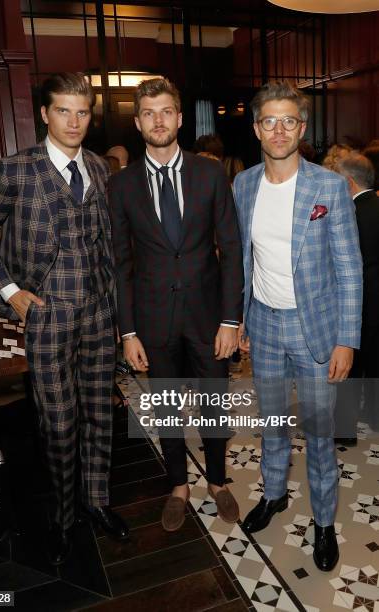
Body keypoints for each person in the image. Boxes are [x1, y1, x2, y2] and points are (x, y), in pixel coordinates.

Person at [0, 72, 128, 566]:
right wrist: (11, 290)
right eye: (64, 110)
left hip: (99, 312)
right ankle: (63, 519)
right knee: (59, 424)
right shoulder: (14, 170)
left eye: (82, 112)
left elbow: (104, 244)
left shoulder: (101, 168)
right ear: (44, 114)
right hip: (46, 314)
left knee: (100, 414)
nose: (75, 121)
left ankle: (97, 501)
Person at [234, 81, 362, 572]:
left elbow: (350, 268)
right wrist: (242, 317)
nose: (280, 129)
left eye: (290, 120)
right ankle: (272, 496)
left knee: (320, 432)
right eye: (270, 120)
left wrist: (346, 340)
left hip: (316, 331)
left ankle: (325, 522)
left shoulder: (328, 186)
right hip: (263, 324)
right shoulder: (243, 185)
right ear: (256, 129)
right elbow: (244, 260)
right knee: (271, 425)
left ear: (302, 128)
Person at [109, 77, 243, 532]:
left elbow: (232, 250)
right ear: (138, 122)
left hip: (209, 319)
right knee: (165, 406)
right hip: (151, 321)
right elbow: (120, 263)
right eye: (149, 113)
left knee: (213, 404)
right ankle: (178, 486)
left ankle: (219, 481)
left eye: (166, 111)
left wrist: (231, 319)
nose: (158, 120)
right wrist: (128, 332)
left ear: (180, 117)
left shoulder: (209, 174)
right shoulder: (122, 185)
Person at [335, 152, 379, 438]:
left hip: (359, 300)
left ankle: (344, 429)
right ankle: (374, 416)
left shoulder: (350, 214)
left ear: (348, 182)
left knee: (347, 364)